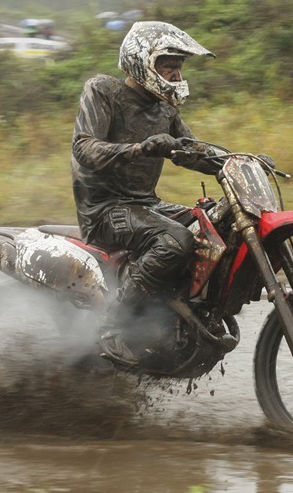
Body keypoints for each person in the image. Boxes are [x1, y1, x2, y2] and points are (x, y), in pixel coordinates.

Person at [70, 21, 217, 365]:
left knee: (213, 225)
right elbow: (85, 148)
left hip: (144, 206)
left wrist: (239, 160)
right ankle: (113, 327)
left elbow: (191, 150)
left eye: (179, 66)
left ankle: (180, 317)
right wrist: (139, 149)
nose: (176, 73)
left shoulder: (166, 109)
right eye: (168, 64)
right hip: (103, 209)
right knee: (174, 240)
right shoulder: (103, 91)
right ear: (142, 61)